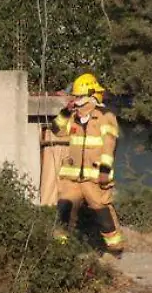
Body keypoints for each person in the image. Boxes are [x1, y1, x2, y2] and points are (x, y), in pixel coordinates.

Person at [51, 73, 124, 258]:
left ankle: (115, 249)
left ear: (91, 96)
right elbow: (56, 130)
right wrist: (66, 111)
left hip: (94, 177)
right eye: (74, 97)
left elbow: (109, 145)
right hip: (72, 178)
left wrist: (105, 171)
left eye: (78, 97)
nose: (75, 100)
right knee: (64, 211)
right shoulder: (73, 117)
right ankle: (60, 251)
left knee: (102, 212)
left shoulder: (105, 117)